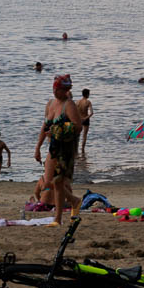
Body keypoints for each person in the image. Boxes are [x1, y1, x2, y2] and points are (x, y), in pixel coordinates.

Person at [35, 73, 82, 223]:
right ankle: (74, 200)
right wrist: (37, 147)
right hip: (53, 147)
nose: (57, 92)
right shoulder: (50, 104)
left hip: (65, 148)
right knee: (49, 181)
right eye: (55, 90)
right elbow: (44, 126)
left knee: (58, 181)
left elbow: (78, 126)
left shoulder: (69, 105)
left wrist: (57, 130)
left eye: (60, 90)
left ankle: (58, 218)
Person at [75, 88, 95, 156]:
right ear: (87, 94)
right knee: (84, 135)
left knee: (77, 135)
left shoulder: (77, 102)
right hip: (85, 119)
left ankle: (76, 149)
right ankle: (83, 149)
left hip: (78, 119)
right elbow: (92, 113)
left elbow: (75, 112)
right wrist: (85, 118)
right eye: (88, 94)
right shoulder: (88, 102)